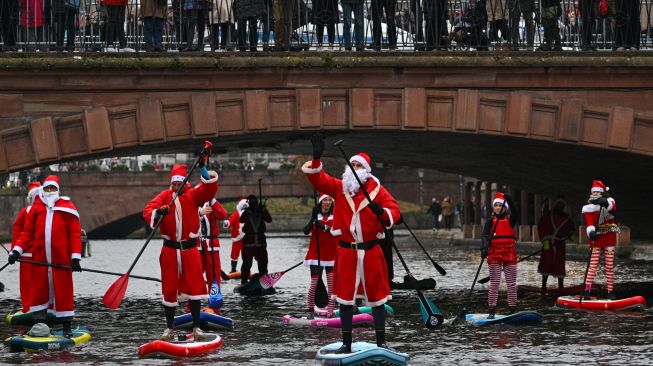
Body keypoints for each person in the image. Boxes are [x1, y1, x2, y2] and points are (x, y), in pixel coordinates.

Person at [303, 134, 401, 352]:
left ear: (366, 170)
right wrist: (316, 158)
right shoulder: (340, 188)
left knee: (377, 301)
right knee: (345, 301)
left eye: (358, 165)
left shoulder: (378, 191)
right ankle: (346, 345)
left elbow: (394, 212)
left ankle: (381, 342)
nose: (353, 168)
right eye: (352, 164)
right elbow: (319, 180)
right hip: (346, 252)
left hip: (371, 252)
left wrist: (382, 212)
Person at [142, 153, 219, 341]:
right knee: (169, 290)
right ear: (171, 183)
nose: (177, 187)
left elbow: (210, 190)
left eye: (180, 183)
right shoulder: (164, 197)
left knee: (194, 288)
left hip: (190, 250)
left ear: (185, 182)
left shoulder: (193, 195)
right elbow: (148, 210)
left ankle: (196, 328)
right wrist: (159, 211)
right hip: (169, 251)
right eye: (175, 184)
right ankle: (169, 328)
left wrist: (202, 168)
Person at [9, 175, 82, 338]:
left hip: (60, 259)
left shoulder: (67, 207)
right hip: (40, 259)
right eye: (47, 188)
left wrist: (75, 257)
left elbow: (74, 235)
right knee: (39, 291)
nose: (49, 191)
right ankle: (37, 326)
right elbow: (27, 233)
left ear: (57, 190)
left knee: (63, 292)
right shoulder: (36, 208)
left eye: (52, 188)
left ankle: (67, 327)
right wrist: (16, 251)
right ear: (43, 189)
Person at [480, 192, 518, 319]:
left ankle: (512, 310)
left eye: (499, 205)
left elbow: (516, 213)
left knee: (511, 284)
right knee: (495, 283)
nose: (497, 207)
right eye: (495, 205)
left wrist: (510, 200)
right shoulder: (490, 221)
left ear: (505, 207)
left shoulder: (510, 220)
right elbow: (485, 236)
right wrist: (484, 249)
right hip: (495, 253)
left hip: (509, 253)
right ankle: (491, 311)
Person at [582, 180, 619, 300]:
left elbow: (612, 207)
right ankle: (587, 291)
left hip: (609, 237)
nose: (597, 194)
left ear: (602, 193)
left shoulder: (609, 202)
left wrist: (606, 203)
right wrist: (591, 232)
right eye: (595, 192)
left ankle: (610, 292)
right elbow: (589, 223)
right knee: (593, 265)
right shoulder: (588, 208)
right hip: (596, 238)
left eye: (599, 192)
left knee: (609, 266)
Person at [302, 194, 337, 317]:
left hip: (331, 255)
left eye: (329, 200)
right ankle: (310, 309)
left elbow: (337, 232)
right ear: (321, 202)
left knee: (332, 286)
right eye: (325, 200)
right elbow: (305, 231)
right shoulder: (316, 216)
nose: (327, 202)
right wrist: (313, 218)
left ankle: (330, 311)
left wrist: (324, 227)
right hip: (316, 254)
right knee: (314, 284)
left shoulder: (336, 216)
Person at [10, 181, 41, 313]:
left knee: (28, 283)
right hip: (38, 254)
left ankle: (28, 307)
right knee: (38, 282)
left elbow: (17, 230)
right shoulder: (38, 211)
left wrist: (14, 250)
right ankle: (39, 306)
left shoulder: (26, 211)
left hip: (29, 254)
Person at [537, 196, 576, 292]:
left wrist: (571, 236)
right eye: (560, 205)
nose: (560, 206)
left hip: (558, 244)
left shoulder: (565, 218)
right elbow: (542, 226)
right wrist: (545, 241)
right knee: (547, 263)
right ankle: (544, 286)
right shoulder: (550, 216)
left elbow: (571, 231)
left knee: (558, 265)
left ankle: (560, 287)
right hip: (551, 244)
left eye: (561, 205)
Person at [198, 196, 228, 312]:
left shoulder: (210, 203)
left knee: (213, 276)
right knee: (195, 277)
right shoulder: (191, 204)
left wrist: (213, 200)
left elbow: (222, 214)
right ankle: (191, 308)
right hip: (196, 245)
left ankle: (214, 307)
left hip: (211, 244)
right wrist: (199, 213)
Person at [239, 194, 272, 283]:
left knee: (256, 264)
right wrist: (263, 210)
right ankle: (247, 281)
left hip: (254, 242)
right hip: (255, 242)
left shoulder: (258, 211)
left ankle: (245, 281)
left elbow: (269, 219)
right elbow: (241, 220)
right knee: (253, 264)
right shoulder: (249, 211)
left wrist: (263, 210)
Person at [226, 198, 247, 273]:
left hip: (246, 237)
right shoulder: (236, 214)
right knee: (234, 253)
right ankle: (233, 269)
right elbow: (230, 221)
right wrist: (227, 224)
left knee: (246, 254)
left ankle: (245, 269)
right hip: (237, 238)